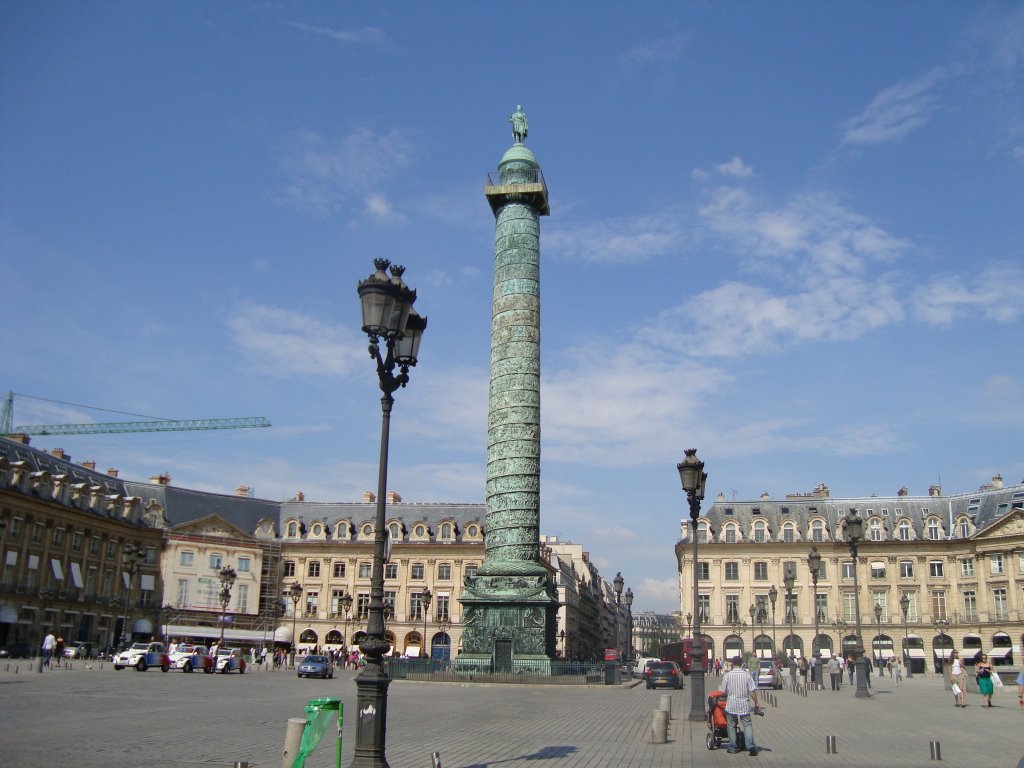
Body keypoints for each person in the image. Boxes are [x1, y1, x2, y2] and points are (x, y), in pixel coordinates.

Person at [722, 655, 760, 756]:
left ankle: (733, 747)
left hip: (731, 705)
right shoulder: (747, 675)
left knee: (731, 726)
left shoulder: (727, 675)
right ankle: (750, 746)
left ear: (732, 664)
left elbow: (723, 691)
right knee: (747, 725)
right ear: (741, 663)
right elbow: (752, 691)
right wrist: (756, 703)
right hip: (744, 704)